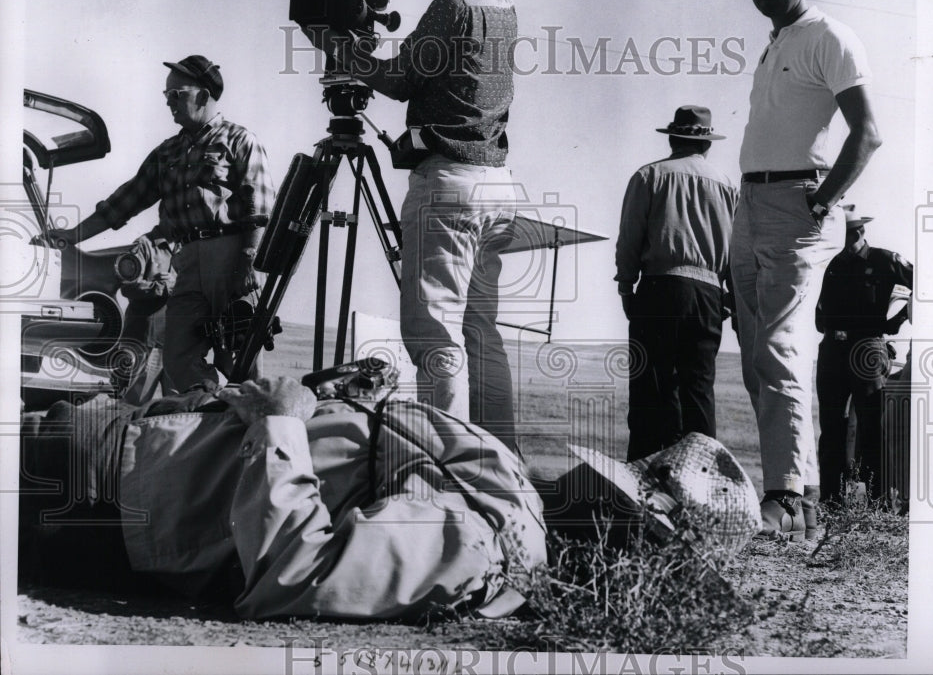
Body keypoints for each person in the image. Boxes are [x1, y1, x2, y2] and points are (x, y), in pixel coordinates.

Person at [18, 370, 548, 620]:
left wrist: (282, 419)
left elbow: (297, 574)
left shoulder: (486, 546)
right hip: (122, 441)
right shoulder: (504, 485)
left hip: (109, 494)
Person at [315, 0, 519, 446]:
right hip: (495, 185)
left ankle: (450, 464)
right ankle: (500, 458)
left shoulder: (452, 6)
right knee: (481, 335)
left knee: (435, 337)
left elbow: (400, 78)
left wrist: (338, 49)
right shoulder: (501, 3)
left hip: (448, 186)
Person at [729, 0, 883, 540]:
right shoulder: (779, 43)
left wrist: (821, 202)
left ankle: (786, 499)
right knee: (756, 356)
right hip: (752, 200)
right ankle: (803, 502)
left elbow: (867, 132)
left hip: (797, 203)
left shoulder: (829, 37)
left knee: (781, 349)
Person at [36, 56, 275, 394]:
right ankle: (206, 413)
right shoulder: (167, 153)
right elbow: (122, 204)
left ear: (204, 97)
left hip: (232, 255)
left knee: (240, 359)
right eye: (166, 96)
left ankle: (259, 433)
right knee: (178, 356)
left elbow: (260, 209)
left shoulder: (239, 141)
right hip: (187, 260)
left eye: (176, 95)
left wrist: (248, 262)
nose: (169, 103)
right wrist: (69, 236)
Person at [614, 105, 738, 461]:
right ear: (708, 145)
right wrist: (727, 297)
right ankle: (703, 483)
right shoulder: (727, 185)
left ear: (671, 138)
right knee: (699, 392)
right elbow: (738, 248)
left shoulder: (650, 175)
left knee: (651, 390)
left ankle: (642, 486)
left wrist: (626, 285)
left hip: (660, 289)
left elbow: (630, 238)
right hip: (709, 294)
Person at [815, 205, 913, 503]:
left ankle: (877, 499)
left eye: (843, 233)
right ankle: (831, 499)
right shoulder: (827, 262)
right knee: (831, 426)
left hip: (868, 348)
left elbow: (927, 284)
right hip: (831, 348)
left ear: (858, 232)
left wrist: (895, 322)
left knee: (871, 426)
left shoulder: (885, 260)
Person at [112, 225, 176, 403]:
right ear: (165, 214)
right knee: (133, 407)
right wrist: (162, 287)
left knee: (176, 410)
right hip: (145, 341)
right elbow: (127, 286)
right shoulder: (143, 245)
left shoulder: (184, 245)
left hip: (175, 343)